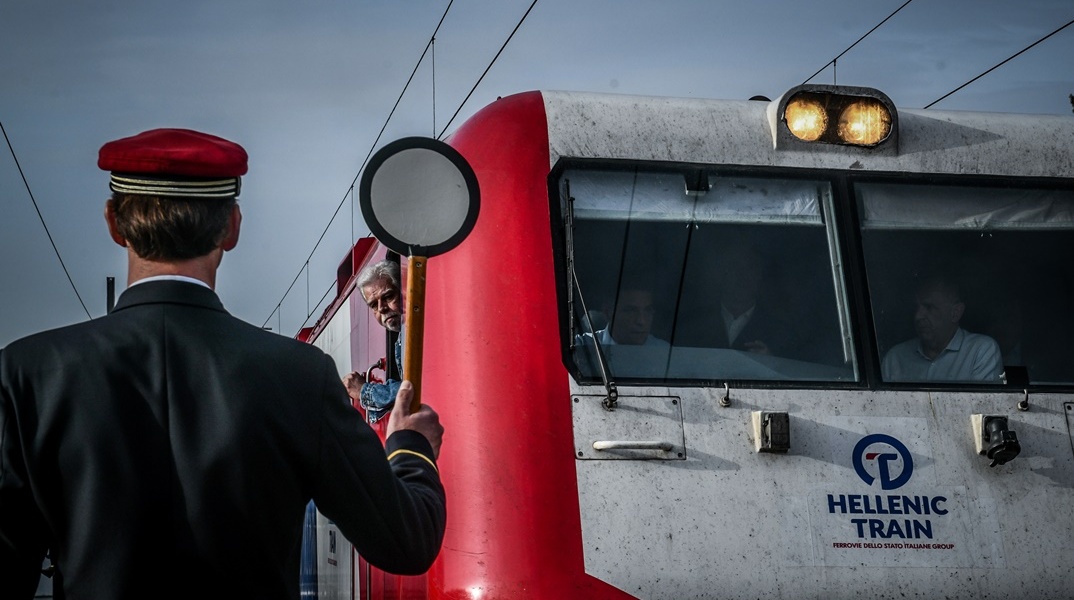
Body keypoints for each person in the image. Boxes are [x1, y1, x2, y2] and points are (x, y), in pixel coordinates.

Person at [0, 128, 446, 598]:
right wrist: (409, 446)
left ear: (113, 223)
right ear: (232, 227)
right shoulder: (298, 374)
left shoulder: (27, 374)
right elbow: (406, 543)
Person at [676, 239, 796, 356]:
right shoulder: (691, 325)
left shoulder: (779, 332)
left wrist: (771, 362)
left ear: (760, 275)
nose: (742, 275)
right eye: (734, 266)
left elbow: (793, 372)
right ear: (721, 273)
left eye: (750, 267)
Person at [881, 274, 1003, 382]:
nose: (918, 316)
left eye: (929, 307)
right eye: (916, 308)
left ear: (956, 312)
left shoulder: (980, 352)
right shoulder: (895, 358)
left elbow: (983, 406)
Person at [343, 259, 405, 423]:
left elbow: (418, 390)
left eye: (388, 296)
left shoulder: (417, 332)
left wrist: (364, 390)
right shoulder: (401, 339)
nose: (382, 308)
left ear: (404, 291)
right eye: (373, 305)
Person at [575, 284, 669, 348]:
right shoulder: (583, 347)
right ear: (608, 313)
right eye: (631, 311)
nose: (641, 321)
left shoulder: (663, 352)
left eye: (647, 310)